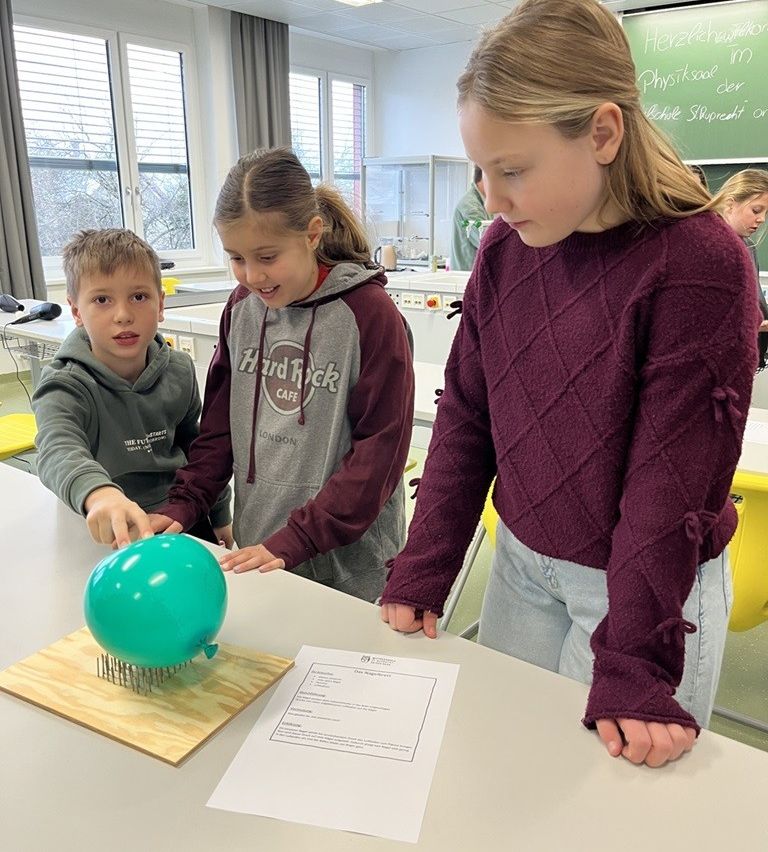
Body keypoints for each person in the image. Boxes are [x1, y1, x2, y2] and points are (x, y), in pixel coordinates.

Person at [380, 0, 758, 769]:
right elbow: (470, 415)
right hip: (521, 559)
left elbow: (671, 484)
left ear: (604, 133)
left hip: (647, 587)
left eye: (513, 170)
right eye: (482, 170)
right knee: (513, 767)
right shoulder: (504, 247)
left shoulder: (701, 263)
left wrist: (635, 664)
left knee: (608, 799)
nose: (491, 198)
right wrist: (427, 562)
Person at [151, 148, 414, 602]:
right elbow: (218, 431)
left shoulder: (370, 315)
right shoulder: (242, 309)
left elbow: (380, 456)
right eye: (236, 258)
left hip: (347, 562)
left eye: (267, 256)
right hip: (262, 550)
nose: (252, 275)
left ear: (312, 235)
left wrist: (298, 539)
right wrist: (184, 503)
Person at [32, 229, 233, 548]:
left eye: (139, 297)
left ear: (161, 303)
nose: (123, 316)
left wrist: (220, 513)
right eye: (102, 300)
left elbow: (199, 449)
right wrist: (100, 495)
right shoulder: (64, 383)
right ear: (75, 311)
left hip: (177, 517)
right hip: (108, 528)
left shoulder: (179, 371)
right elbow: (58, 448)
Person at [712, 169, 768, 370]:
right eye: (756, 210)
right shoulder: (710, 245)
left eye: (765, 213)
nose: (761, 219)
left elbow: (755, 302)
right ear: (730, 203)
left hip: (746, 355)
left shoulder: (748, 247)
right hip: (718, 359)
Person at [450, 165, 489, 271]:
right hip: (466, 275)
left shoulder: (482, 202)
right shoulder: (470, 206)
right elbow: (487, 242)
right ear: (485, 177)